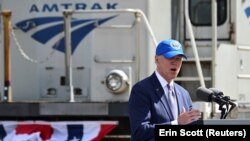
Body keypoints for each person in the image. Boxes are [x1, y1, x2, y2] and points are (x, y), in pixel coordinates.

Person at [128, 39, 202, 141]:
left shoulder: (183, 93)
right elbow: (140, 132)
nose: (175, 62)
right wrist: (176, 123)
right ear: (156, 60)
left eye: (178, 58)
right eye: (170, 57)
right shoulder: (141, 90)